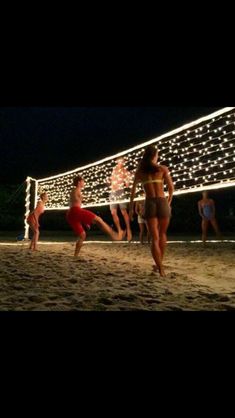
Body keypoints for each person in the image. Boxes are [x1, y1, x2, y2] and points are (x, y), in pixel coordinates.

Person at [129, 145, 174, 277]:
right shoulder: (162, 169)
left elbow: (132, 193)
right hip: (162, 201)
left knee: (154, 238)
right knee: (162, 234)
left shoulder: (140, 172)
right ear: (154, 155)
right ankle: (159, 264)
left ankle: (160, 268)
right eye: (157, 154)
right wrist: (169, 201)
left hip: (150, 203)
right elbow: (171, 188)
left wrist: (131, 209)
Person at [67, 175, 126, 257]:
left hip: (71, 215)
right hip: (75, 211)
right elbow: (76, 200)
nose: (84, 183)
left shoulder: (75, 191)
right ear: (79, 182)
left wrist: (84, 220)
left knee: (82, 235)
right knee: (99, 220)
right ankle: (115, 236)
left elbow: (75, 201)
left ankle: (75, 256)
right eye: (83, 181)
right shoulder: (76, 190)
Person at [108, 157, 133, 242]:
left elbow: (127, 185)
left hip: (120, 191)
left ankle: (129, 230)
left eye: (122, 161)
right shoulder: (114, 170)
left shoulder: (125, 171)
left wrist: (128, 179)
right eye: (119, 160)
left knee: (123, 212)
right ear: (117, 161)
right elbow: (111, 180)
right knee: (113, 212)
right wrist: (109, 181)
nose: (120, 162)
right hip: (112, 192)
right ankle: (120, 230)